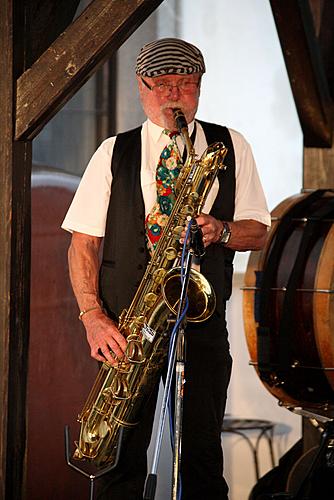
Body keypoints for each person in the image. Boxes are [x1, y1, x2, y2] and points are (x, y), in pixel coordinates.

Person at [62, 38, 271, 500]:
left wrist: (222, 230)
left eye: (186, 84)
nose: (173, 95)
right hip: (125, 329)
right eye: (161, 85)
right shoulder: (112, 152)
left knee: (200, 460)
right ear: (141, 87)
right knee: (121, 462)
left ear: (200, 87)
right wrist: (93, 318)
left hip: (199, 326)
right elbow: (83, 243)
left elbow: (261, 230)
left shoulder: (230, 146)